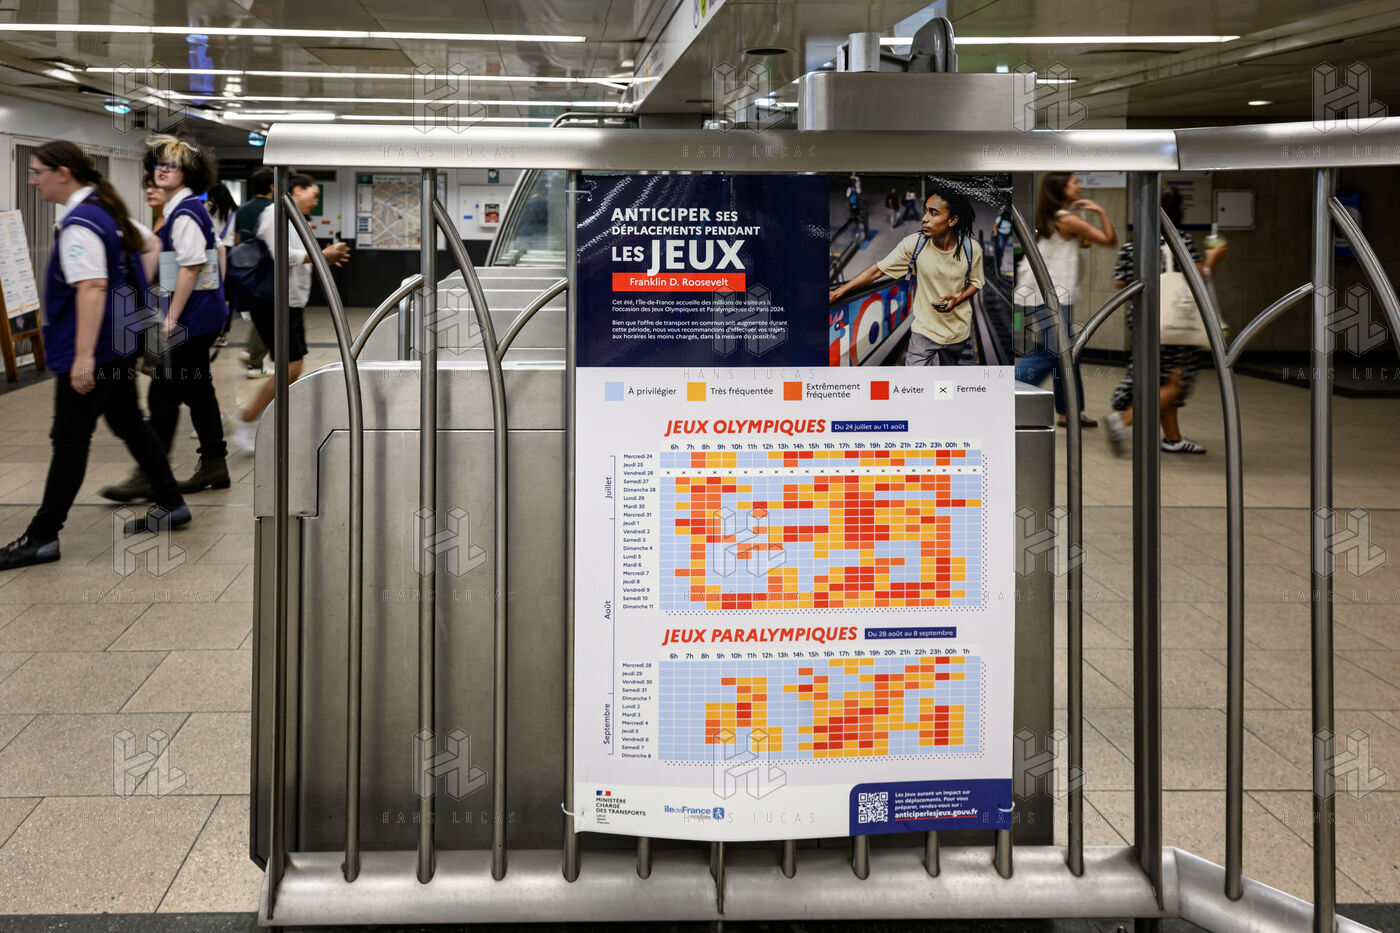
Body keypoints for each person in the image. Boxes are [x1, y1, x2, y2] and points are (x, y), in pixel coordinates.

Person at [0, 140, 190, 570]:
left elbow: (92, 287)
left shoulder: (80, 223)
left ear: (63, 173)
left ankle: (43, 536)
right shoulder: (106, 211)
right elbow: (150, 246)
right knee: (129, 422)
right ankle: (172, 502)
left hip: (95, 350)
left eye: (37, 172)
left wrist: (84, 356)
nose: (33, 181)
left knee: (70, 439)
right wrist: (131, 307)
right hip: (117, 342)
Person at [103, 135, 230, 500]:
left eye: (172, 166)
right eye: (158, 164)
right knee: (198, 390)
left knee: (164, 394)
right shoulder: (185, 209)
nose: (162, 171)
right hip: (201, 315)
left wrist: (171, 319)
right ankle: (214, 463)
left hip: (189, 319)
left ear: (188, 173)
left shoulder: (185, 212)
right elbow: (217, 253)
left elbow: (190, 267)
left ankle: (151, 472)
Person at [228, 172, 350, 453]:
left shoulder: (295, 218)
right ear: (296, 191)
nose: (315, 201)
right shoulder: (275, 213)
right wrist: (320, 256)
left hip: (289, 301)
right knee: (290, 367)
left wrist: (323, 254)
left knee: (292, 367)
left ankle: (258, 419)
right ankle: (246, 420)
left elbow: (297, 254)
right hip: (274, 300)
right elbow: (278, 254)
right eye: (313, 195)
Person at [1103, 189, 1228, 456]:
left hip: (1141, 321)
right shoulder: (1178, 239)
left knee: (1161, 378)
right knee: (1175, 381)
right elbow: (1198, 277)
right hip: (1172, 322)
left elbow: (1120, 282)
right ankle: (1122, 420)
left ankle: (1173, 439)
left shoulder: (1133, 243)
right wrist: (1212, 259)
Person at [828, 184, 984, 366]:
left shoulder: (972, 249)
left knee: (944, 377)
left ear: (952, 220)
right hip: (924, 331)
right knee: (914, 379)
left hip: (958, 332)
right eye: (925, 211)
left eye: (933, 213)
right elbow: (878, 270)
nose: (924, 219)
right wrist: (838, 292)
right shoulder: (914, 244)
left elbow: (976, 282)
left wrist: (957, 300)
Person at [1013, 172, 1117, 427]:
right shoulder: (1067, 219)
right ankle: (1006, 389)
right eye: (1074, 182)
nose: (1079, 186)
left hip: (1042, 292)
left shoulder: (1052, 218)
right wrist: (1100, 211)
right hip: (1051, 294)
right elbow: (1109, 239)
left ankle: (1069, 411)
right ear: (1061, 189)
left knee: (1067, 353)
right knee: (1058, 352)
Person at [233, 168, 273, 378]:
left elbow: (237, 240)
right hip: (267, 268)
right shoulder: (272, 209)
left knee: (259, 312)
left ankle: (252, 354)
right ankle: (254, 359)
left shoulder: (242, 210)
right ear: (272, 186)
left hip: (245, 267)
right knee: (269, 314)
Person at [205, 182, 238, 348]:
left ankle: (212, 330)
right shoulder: (236, 213)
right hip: (230, 254)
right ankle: (222, 333)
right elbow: (237, 238)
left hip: (212, 253)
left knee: (212, 291)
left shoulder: (208, 211)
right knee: (227, 296)